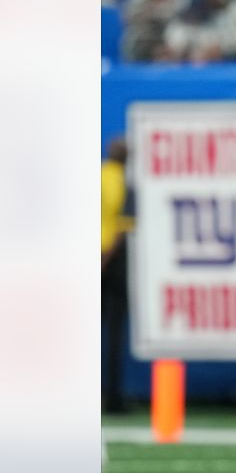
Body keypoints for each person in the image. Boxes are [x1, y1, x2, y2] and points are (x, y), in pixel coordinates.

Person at [101, 138, 135, 415]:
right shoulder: (124, 182)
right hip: (112, 262)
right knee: (114, 333)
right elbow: (122, 230)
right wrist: (104, 261)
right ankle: (113, 398)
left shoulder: (98, 176)